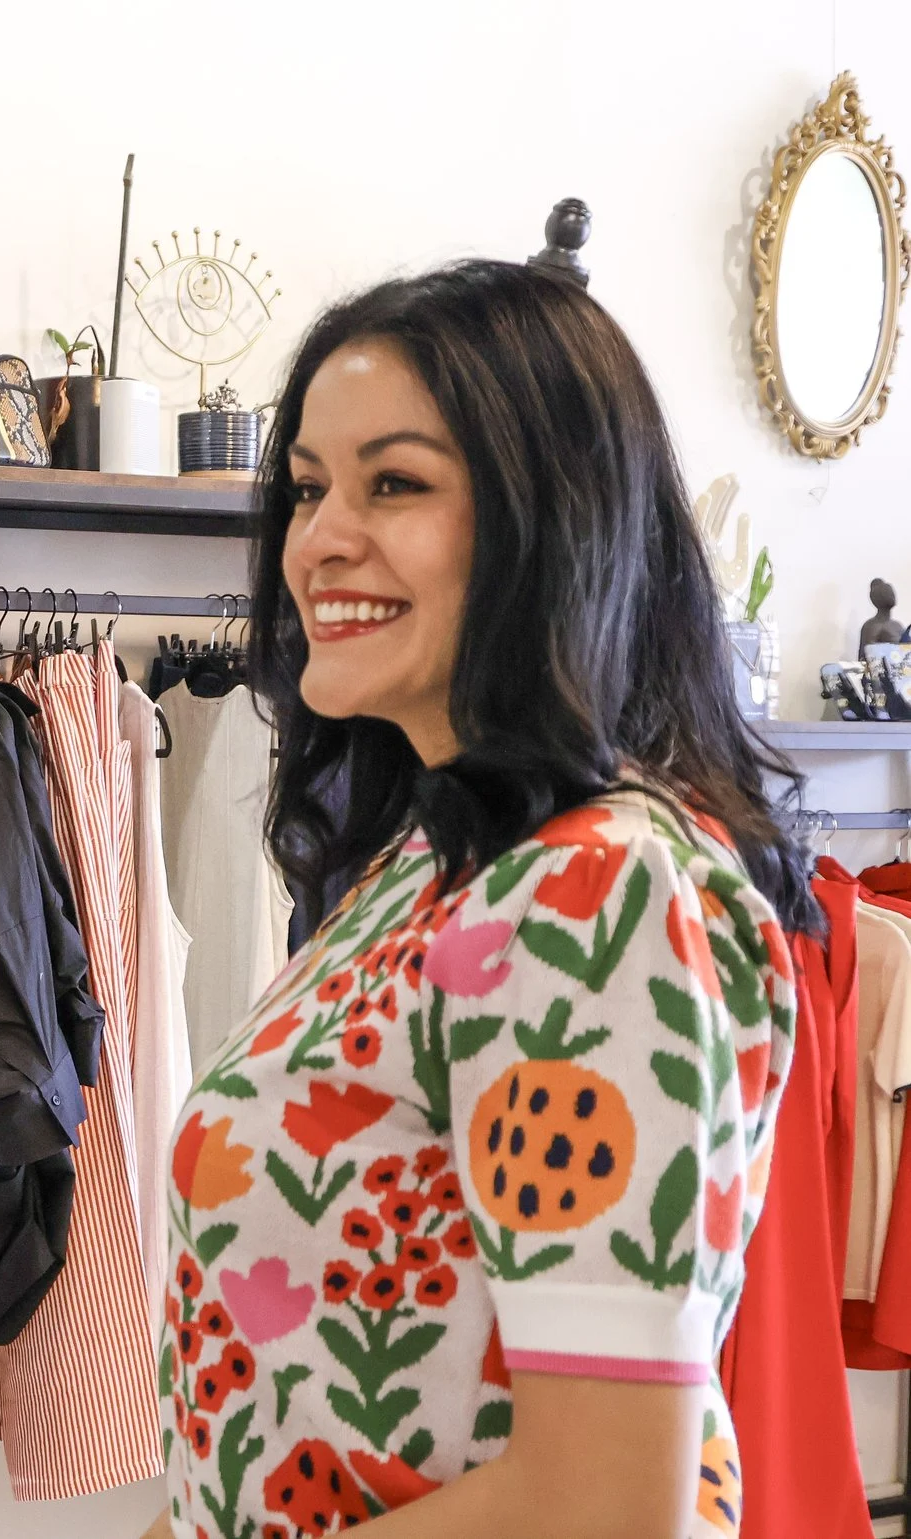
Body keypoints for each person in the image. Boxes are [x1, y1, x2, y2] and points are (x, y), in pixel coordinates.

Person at [148, 261, 817, 1539]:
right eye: (307, 488)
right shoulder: (439, 859)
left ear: (544, 517)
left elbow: (603, 1505)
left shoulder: (597, 890)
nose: (319, 538)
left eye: (393, 483)